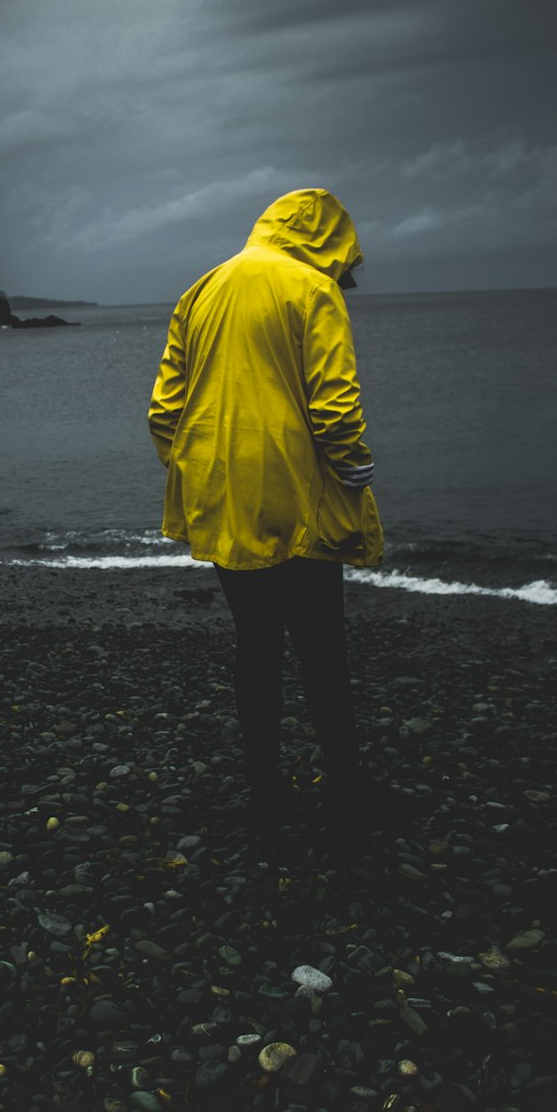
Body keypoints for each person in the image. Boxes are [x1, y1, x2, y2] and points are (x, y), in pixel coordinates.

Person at [148, 188, 386, 845]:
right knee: (320, 647)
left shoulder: (202, 289)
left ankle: (266, 798)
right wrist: (354, 466)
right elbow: (334, 405)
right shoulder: (311, 288)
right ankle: (344, 793)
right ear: (329, 242)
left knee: (255, 643)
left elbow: (164, 410)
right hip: (297, 491)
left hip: (223, 492)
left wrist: (193, 466)